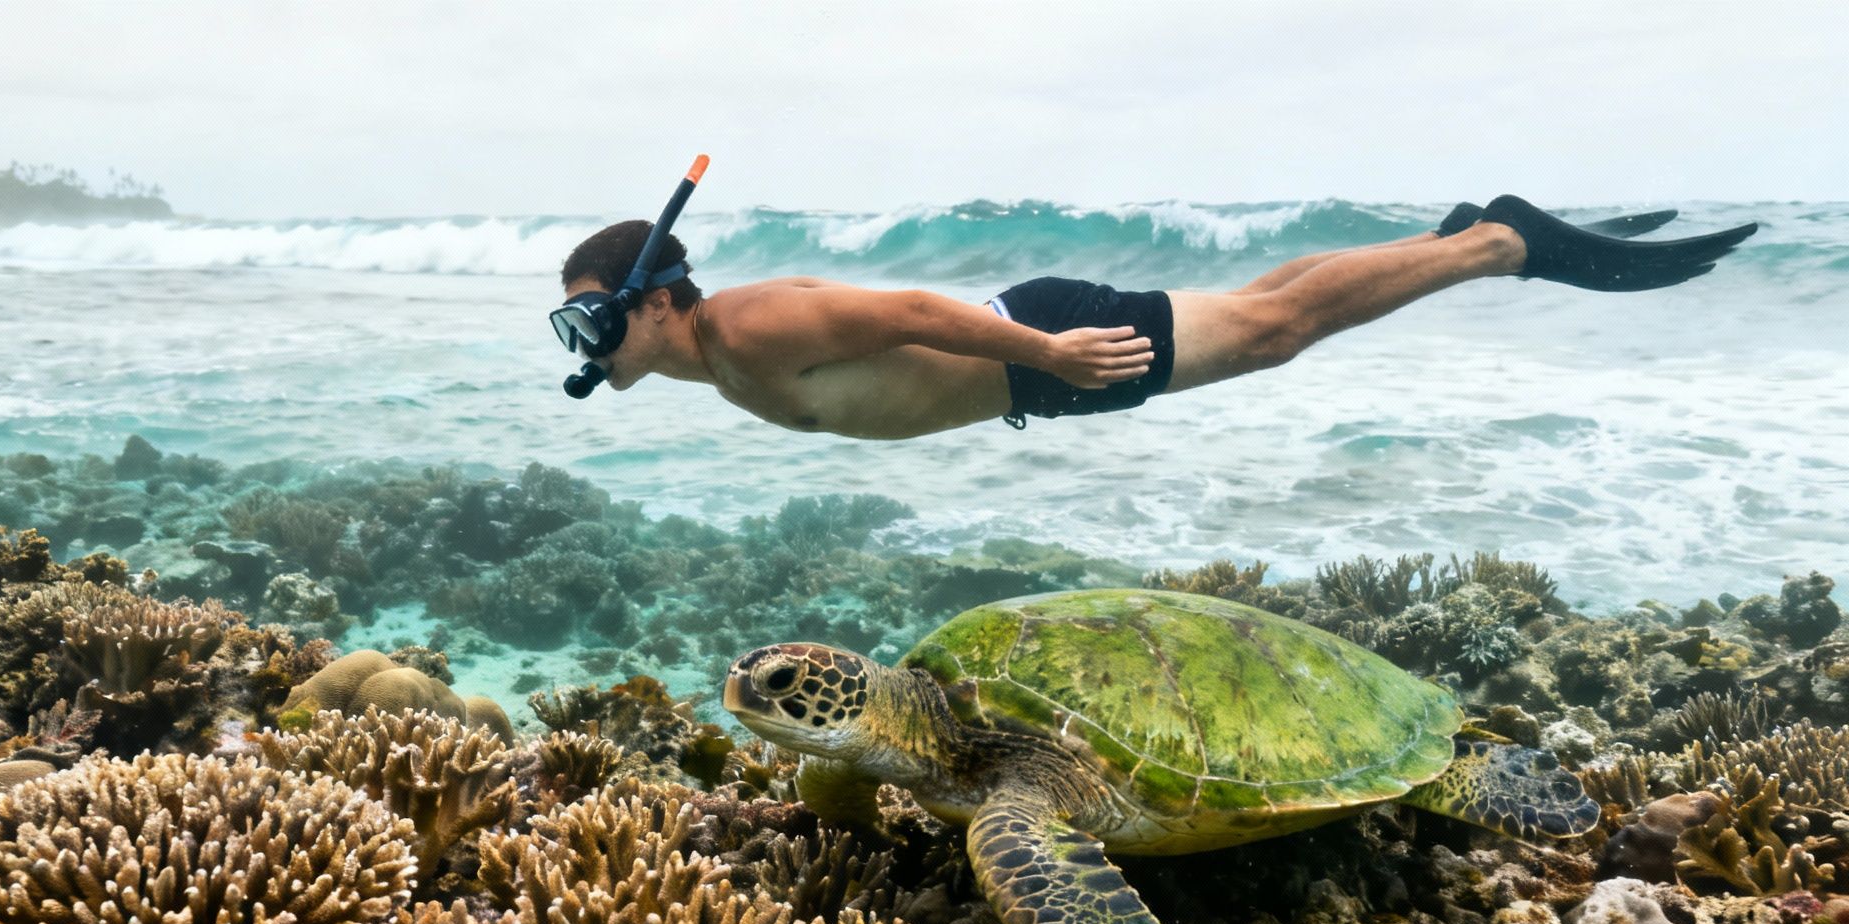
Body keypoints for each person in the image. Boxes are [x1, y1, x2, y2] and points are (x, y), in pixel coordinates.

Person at [552, 196, 1756, 438]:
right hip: (1032, 356)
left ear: (657, 300)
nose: (587, 348)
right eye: (574, 332)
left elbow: (915, 304)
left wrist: (1043, 352)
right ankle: (1456, 237)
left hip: (1045, 349)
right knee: (1267, 308)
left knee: (1280, 329)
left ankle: (1499, 247)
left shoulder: (748, 326)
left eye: (594, 319)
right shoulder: (701, 359)